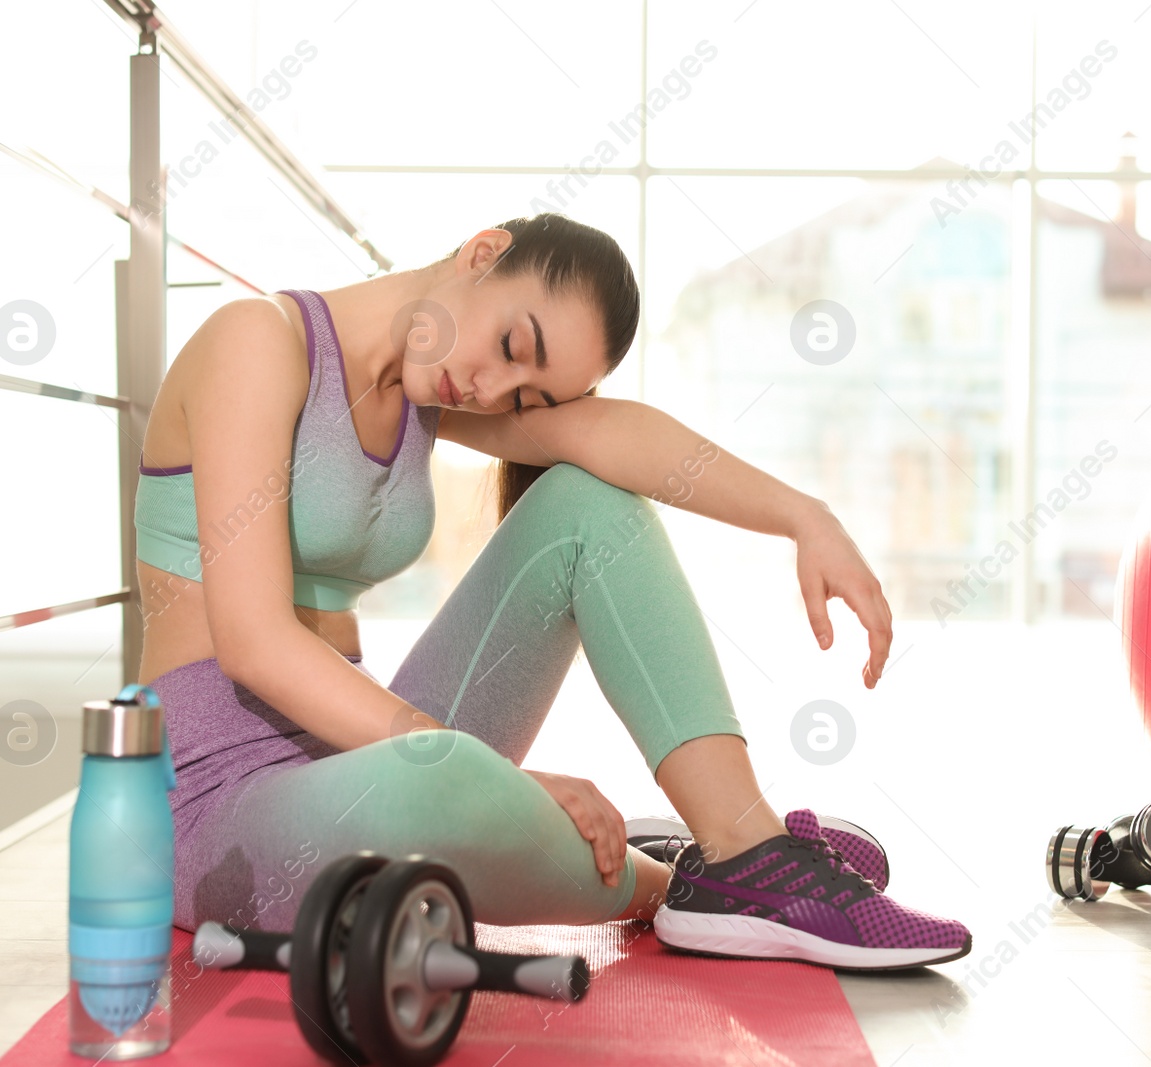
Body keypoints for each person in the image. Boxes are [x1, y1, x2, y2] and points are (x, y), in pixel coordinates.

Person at [132, 211, 969, 970]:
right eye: (510, 344)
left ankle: (743, 845)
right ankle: (673, 883)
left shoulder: (423, 393)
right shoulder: (258, 341)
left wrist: (803, 516)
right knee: (441, 782)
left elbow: (610, 436)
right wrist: (500, 780)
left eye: (525, 392)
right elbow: (254, 640)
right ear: (482, 252)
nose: (494, 391)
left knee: (583, 501)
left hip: (359, 754)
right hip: (219, 807)